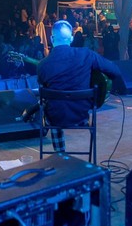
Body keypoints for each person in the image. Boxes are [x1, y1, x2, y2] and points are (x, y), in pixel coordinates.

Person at [37, 20, 122, 154]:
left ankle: (60, 155)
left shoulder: (43, 65)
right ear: (71, 38)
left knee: (53, 105)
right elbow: (115, 71)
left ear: (52, 39)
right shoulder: (86, 54)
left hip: (54, 118)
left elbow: (44, 89)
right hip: (81, 116)